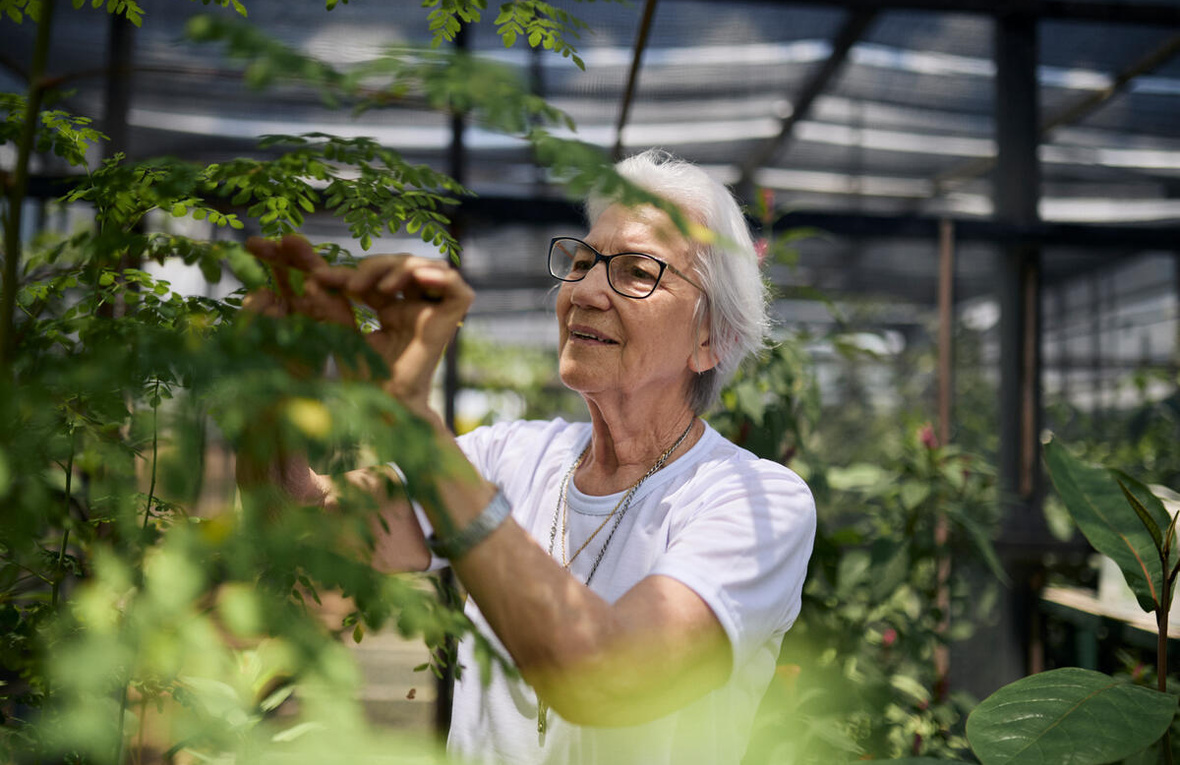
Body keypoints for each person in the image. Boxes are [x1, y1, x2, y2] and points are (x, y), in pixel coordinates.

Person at [240, 149, 816, 764]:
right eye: (585, 261)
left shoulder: (754, 502)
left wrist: (410, 420)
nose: (587, 290)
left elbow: (607, 678)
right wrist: (275, 387)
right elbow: (299, 525)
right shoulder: (509, 456)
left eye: (637, 271)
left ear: (711, 338)